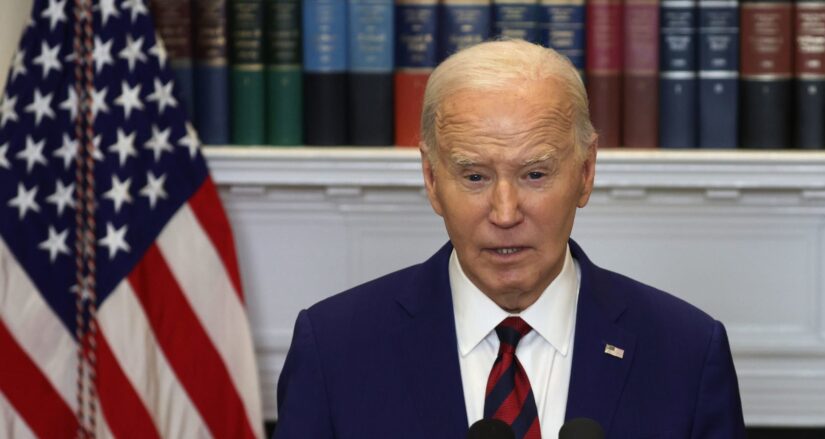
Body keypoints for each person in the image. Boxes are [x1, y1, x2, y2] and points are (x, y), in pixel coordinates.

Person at [275, 39, 746, 438]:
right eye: (475, 176)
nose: (504, 213)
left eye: (535, 174)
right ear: (432, 179)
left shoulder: (686, 353)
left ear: (586, 172)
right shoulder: (335, 350)